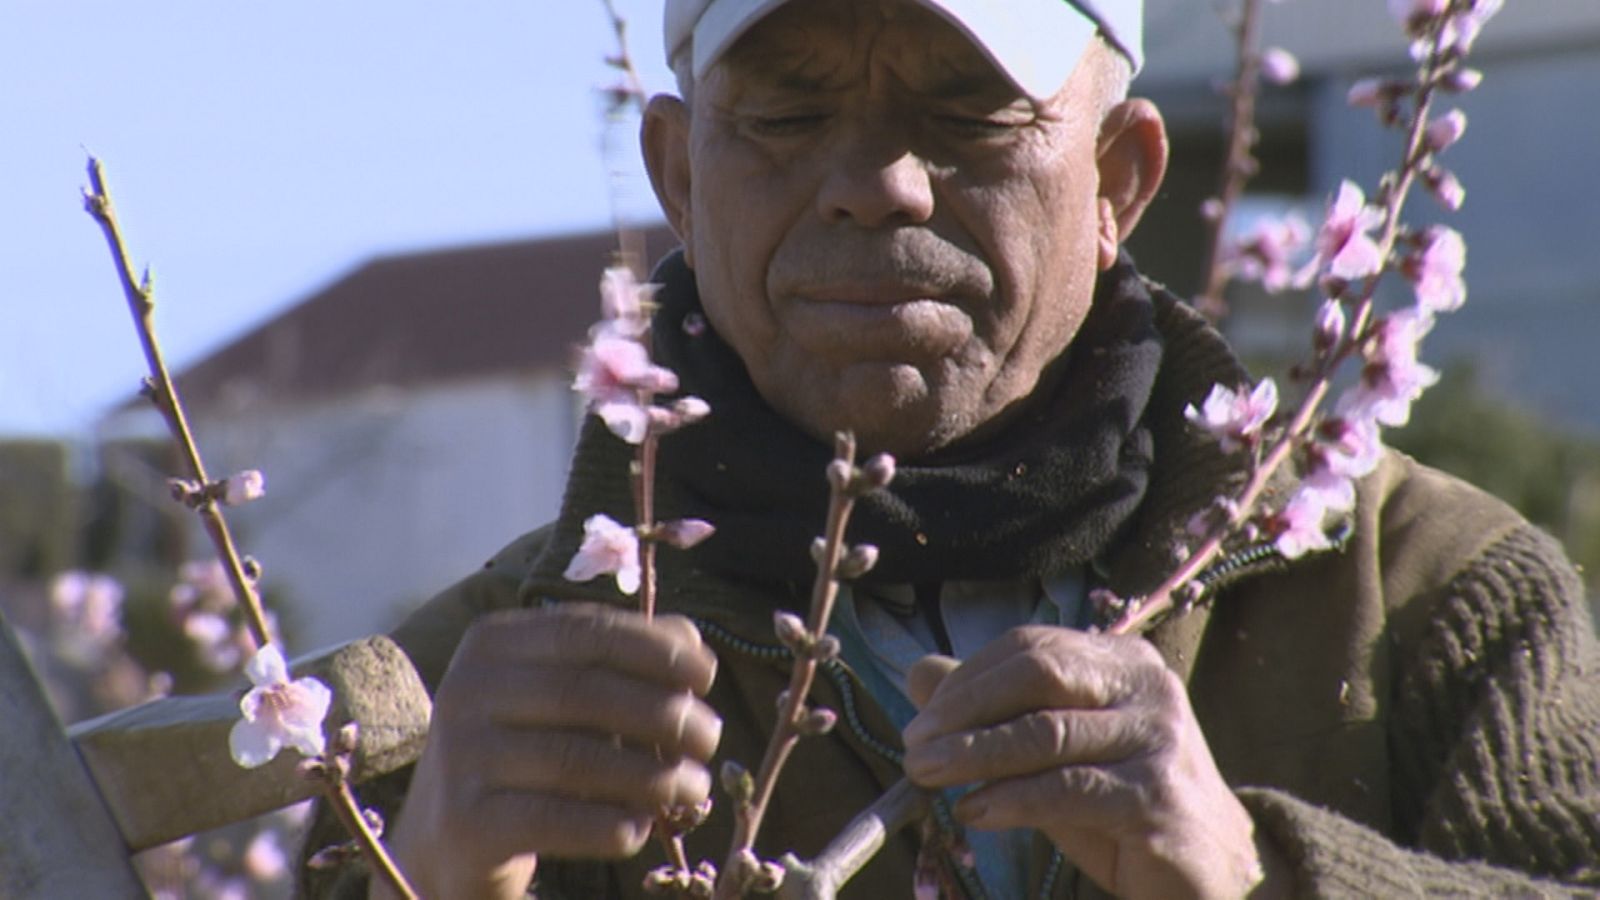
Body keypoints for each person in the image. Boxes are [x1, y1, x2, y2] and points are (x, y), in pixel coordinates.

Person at [304, 0, 1600, 897]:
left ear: (1121, 183)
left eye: (971, 111)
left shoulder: (1432, 595)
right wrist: (438, 876)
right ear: (678, 182)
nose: (880, 183)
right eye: (787, 116)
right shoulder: (463, 702)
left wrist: (1251, 874)